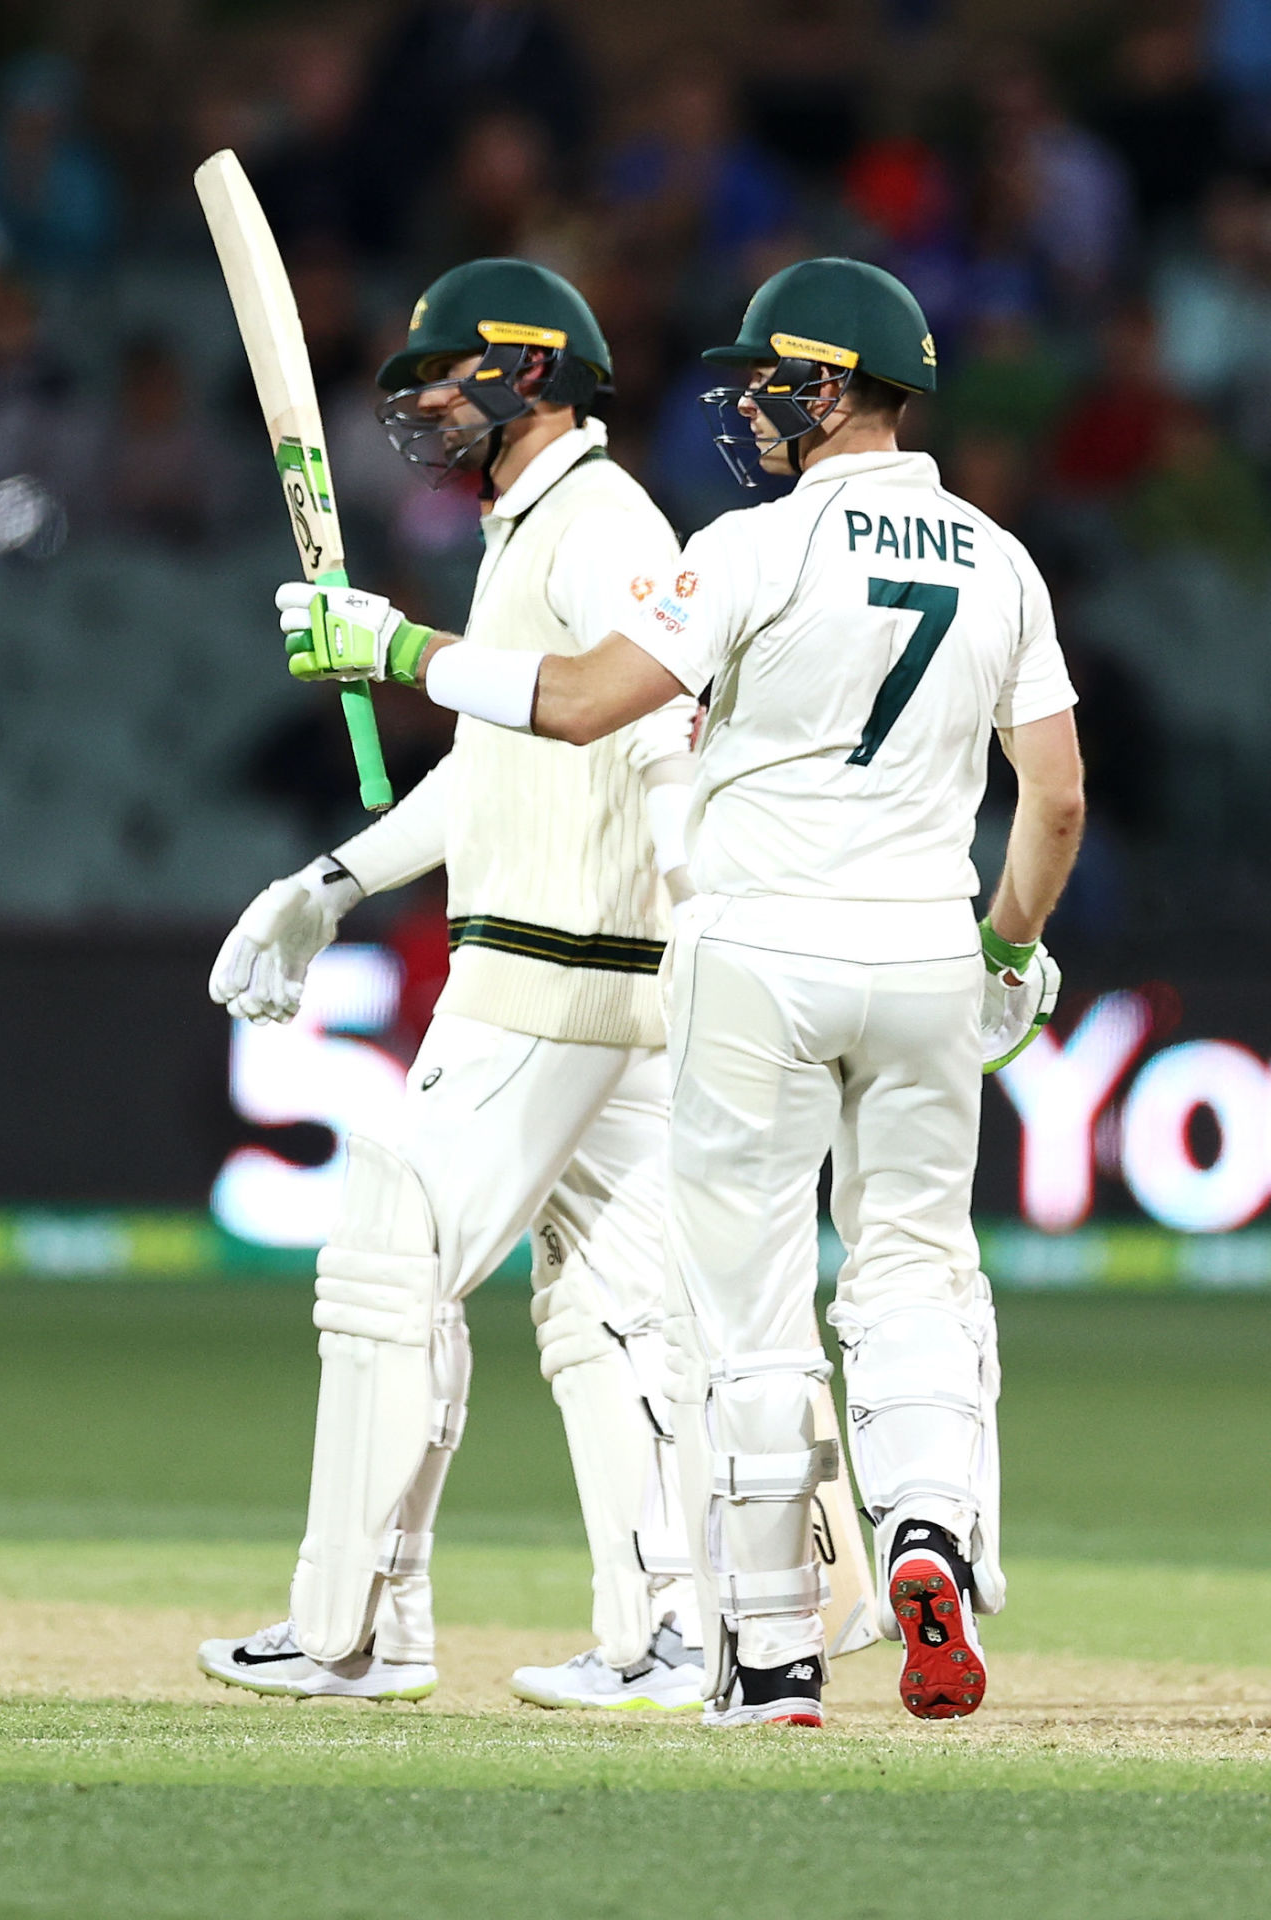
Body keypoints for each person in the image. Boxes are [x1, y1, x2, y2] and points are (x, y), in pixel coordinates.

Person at [288, 256, 1084, 1727]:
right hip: (925, 953)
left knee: (745, 1310)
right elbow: (1055, 801)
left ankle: (771, 1655)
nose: (749, 406)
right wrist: (1006, 949)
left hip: (760, 952)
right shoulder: (1003, 561)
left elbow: (582, 701)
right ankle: (928, 1535)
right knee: (918, 1273)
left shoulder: (751, 547)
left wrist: (397, 648)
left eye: (768, 380)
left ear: (827, 385)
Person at [198, 258, 708, 1711]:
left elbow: (649, 701)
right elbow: (497, 764)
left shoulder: (601, 521)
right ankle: (672, 1634)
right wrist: (332, 883)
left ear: (527, 370)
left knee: (390, 1244)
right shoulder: (538, 525)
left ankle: (354, 1629)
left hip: (554, 967)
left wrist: (397, 648)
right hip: (600, 977)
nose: (421, 406)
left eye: (441, 378)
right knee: (610, 1307)